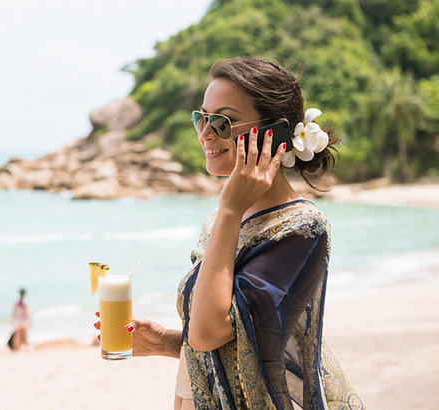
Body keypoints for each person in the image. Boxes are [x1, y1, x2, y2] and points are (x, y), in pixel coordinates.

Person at [95, 57, 363, 409]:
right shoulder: (219, 223)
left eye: (223, 122)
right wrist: (164, 342)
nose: (206, 133)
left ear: (274, 134)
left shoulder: (300, 229)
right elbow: (241, 343)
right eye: (201, 118)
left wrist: (230, 208)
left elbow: (210, 334)